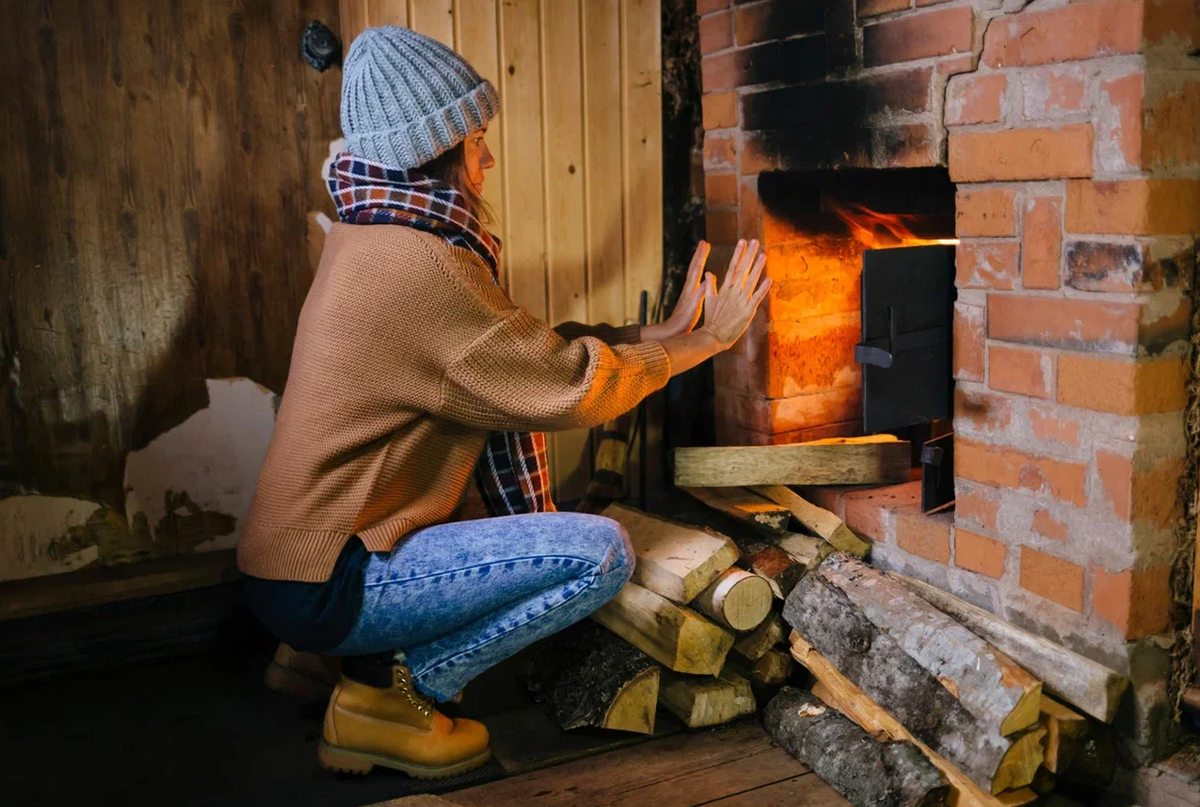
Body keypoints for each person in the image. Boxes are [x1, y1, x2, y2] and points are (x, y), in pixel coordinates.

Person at [236, 25, 769, 779]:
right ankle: (392, 694)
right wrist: (704, 343)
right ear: (436, 148)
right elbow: (569, 386)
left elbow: (513, 352)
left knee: (500, 521)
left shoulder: (375, 237)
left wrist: (654, 333)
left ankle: (327, 658)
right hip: (334, 576)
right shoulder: (422, 265)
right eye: (477, 139)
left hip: (304, 562)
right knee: (599, 554)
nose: (487, 157)